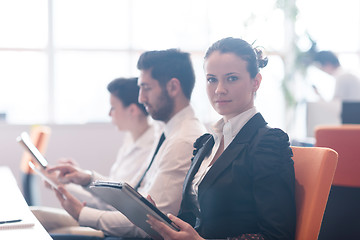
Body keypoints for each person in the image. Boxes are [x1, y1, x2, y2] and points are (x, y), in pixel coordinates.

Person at [147, 37, 296, 240]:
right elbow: (195, 219)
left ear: (256, 82)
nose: (219, 89)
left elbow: (277, 236)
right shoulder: (207, 143)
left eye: (231, 78)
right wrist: (163, 225)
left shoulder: (267, 143)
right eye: (212, 79)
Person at [49, 49, 206, 238]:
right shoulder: (168, 131)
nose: (141, 98)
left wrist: (83, 214)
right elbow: (133, 193)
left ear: (173, 87)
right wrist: (88, 179)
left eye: (146, 88)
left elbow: (148, 223)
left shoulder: (182, 140)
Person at [31, 77, 157, 235]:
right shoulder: (131, 140)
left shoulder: (148, 148)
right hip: (99, 215)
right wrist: (76, 176)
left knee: (38, 223)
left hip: (109, 224)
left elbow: (111, 205)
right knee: (34, 216)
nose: (109, 113)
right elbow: (109, 190)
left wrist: (66, 185)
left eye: (113, 108)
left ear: (132, 110)